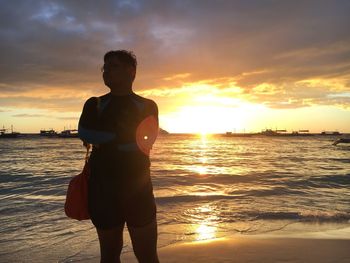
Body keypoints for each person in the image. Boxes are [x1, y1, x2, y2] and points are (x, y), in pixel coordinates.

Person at [78, 50, 160, 263]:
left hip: (138, 190)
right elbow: (85, 133)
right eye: (104, 67)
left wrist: (107, 138)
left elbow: (146, 139)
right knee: (109, 256)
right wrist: (123, 137)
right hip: (102, 190)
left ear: (131, 72)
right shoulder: (94, 103)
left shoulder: (147, 105)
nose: (106, 71)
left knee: (147, 256)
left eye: (113, 66)